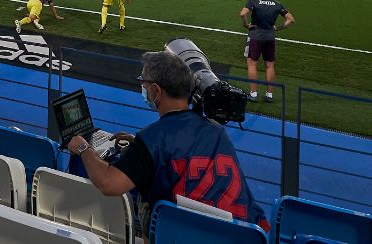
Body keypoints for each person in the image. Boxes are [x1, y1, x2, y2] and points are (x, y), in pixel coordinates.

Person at [67, 50, 268, 230]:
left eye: (143, 82)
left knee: (147, 203)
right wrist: (137, 144)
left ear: (156, 90)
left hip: (194, 234)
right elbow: (185, 150)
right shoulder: (217, 132)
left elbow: (108, 183)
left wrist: (84, 148)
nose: (143, 87)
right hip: (247, 233)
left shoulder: (153, 139)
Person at [240, 0, 293, 103]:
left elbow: (242, 14)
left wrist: (246, 25)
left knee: (252, 63)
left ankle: (253, 94)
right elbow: (291, 19)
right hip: (270, 37)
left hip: (256, 36)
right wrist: (278, 28)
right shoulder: (277, 4)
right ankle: (269, 95)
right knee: (269, 65)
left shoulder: (253, 1)